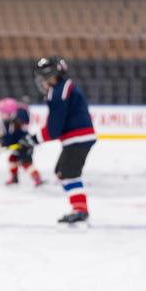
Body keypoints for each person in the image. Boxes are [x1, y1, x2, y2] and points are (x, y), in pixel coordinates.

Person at [20, 56, 96, 224]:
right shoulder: (65, 87)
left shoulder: (58, 92)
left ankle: (80, 210)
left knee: (68, 174)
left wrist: (32, 140)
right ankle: (79, 209)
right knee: (62, 173)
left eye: (43, 77)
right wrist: (33, 140)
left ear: (52, 75)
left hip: (77, 138)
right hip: (78, 138)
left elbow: (54, 129)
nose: (41, 82)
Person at [0, 98, 42, 186]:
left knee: (25, 162)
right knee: (12, 159)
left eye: (4, 113)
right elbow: (8, 138)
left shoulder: (17, 122)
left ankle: (36, 177)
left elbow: (11, 138)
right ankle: (14, 178)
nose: (2, 115)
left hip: (25, 146)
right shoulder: (10, 122)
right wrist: (1, 142)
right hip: (18, 146)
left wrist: (3, 143)